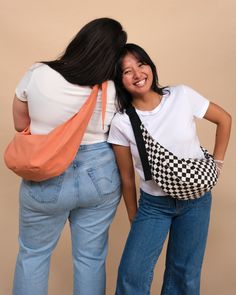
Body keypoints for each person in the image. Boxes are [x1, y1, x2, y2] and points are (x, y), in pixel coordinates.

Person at [12, 18, 127, 295]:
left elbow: (19, 124)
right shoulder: (113, 89)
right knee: (90, 260)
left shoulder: (39, 73)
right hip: (99, 175)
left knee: (34, 255)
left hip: (46, 173)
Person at [108, 43, 231, 295]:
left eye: (140, 64)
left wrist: (217, 163)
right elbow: (127, 177)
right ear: (120, 81)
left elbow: (224, 119)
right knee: (132, 275)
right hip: (154, 206)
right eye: (126, 71)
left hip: (197, 200)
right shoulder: (122, 121)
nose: (137, 74)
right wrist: (134, 215)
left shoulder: (181, 95)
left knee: (184, 276)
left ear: (150, 66)